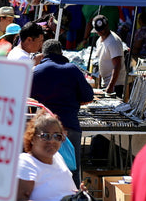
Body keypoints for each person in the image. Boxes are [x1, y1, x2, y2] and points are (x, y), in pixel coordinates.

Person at [31, 39, 94, 187]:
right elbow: (88, 96)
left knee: (43, 171)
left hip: (43, 129)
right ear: (61, 53)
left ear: (43, 54)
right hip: (69, 126)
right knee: (72, 172)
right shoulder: (72, 69)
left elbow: (26, 98)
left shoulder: (36, 72)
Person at [17, 110, 78, 201]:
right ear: (32, 138)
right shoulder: (25, 163)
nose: (52, 141)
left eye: (57, 136)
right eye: (45, 136)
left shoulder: (57, 157)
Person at [93, 14, 126, 97]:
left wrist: (111, 86)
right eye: (99, 30)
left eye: (103, 29)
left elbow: (117, 65)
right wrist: (99, 84)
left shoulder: (113, 42)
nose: (101, 32)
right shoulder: (99, 41)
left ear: (107, 26)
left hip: (115, 85)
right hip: (106, 83)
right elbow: (101, 62)